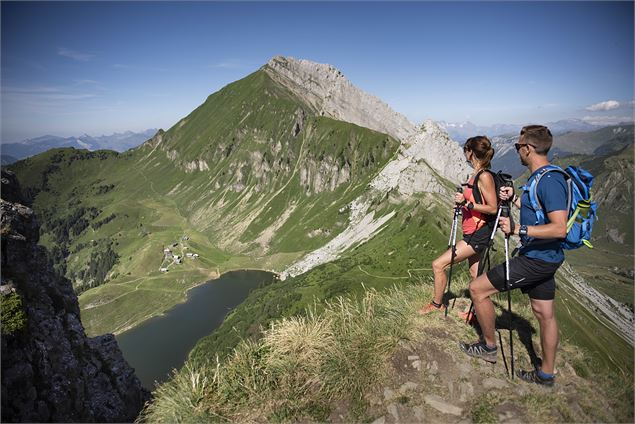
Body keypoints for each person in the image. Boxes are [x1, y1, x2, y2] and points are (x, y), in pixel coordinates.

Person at [460, 125, 567, 387]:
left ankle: (488, 347)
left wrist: (519, 229)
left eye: (519, 146)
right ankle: (546, 374)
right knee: (544, 313)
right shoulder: (540, 177)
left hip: (535, 259)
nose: (517, 150)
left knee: (477, 289)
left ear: (528, 149)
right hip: (546, 258)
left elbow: (559, 227)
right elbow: (537, 208)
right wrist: (515, 197)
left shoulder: (549, 181)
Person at [419, 136, 498, 314]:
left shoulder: (484, 176)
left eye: (465, 151)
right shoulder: (477, 174)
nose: (464, 155)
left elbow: (493, 207)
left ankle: (437, 305)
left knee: (438, 265)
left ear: (471, 153)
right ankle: (479, 314)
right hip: (472, 231)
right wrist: (463, 203)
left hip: (477, 234)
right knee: (476, 276)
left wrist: (468, 204)